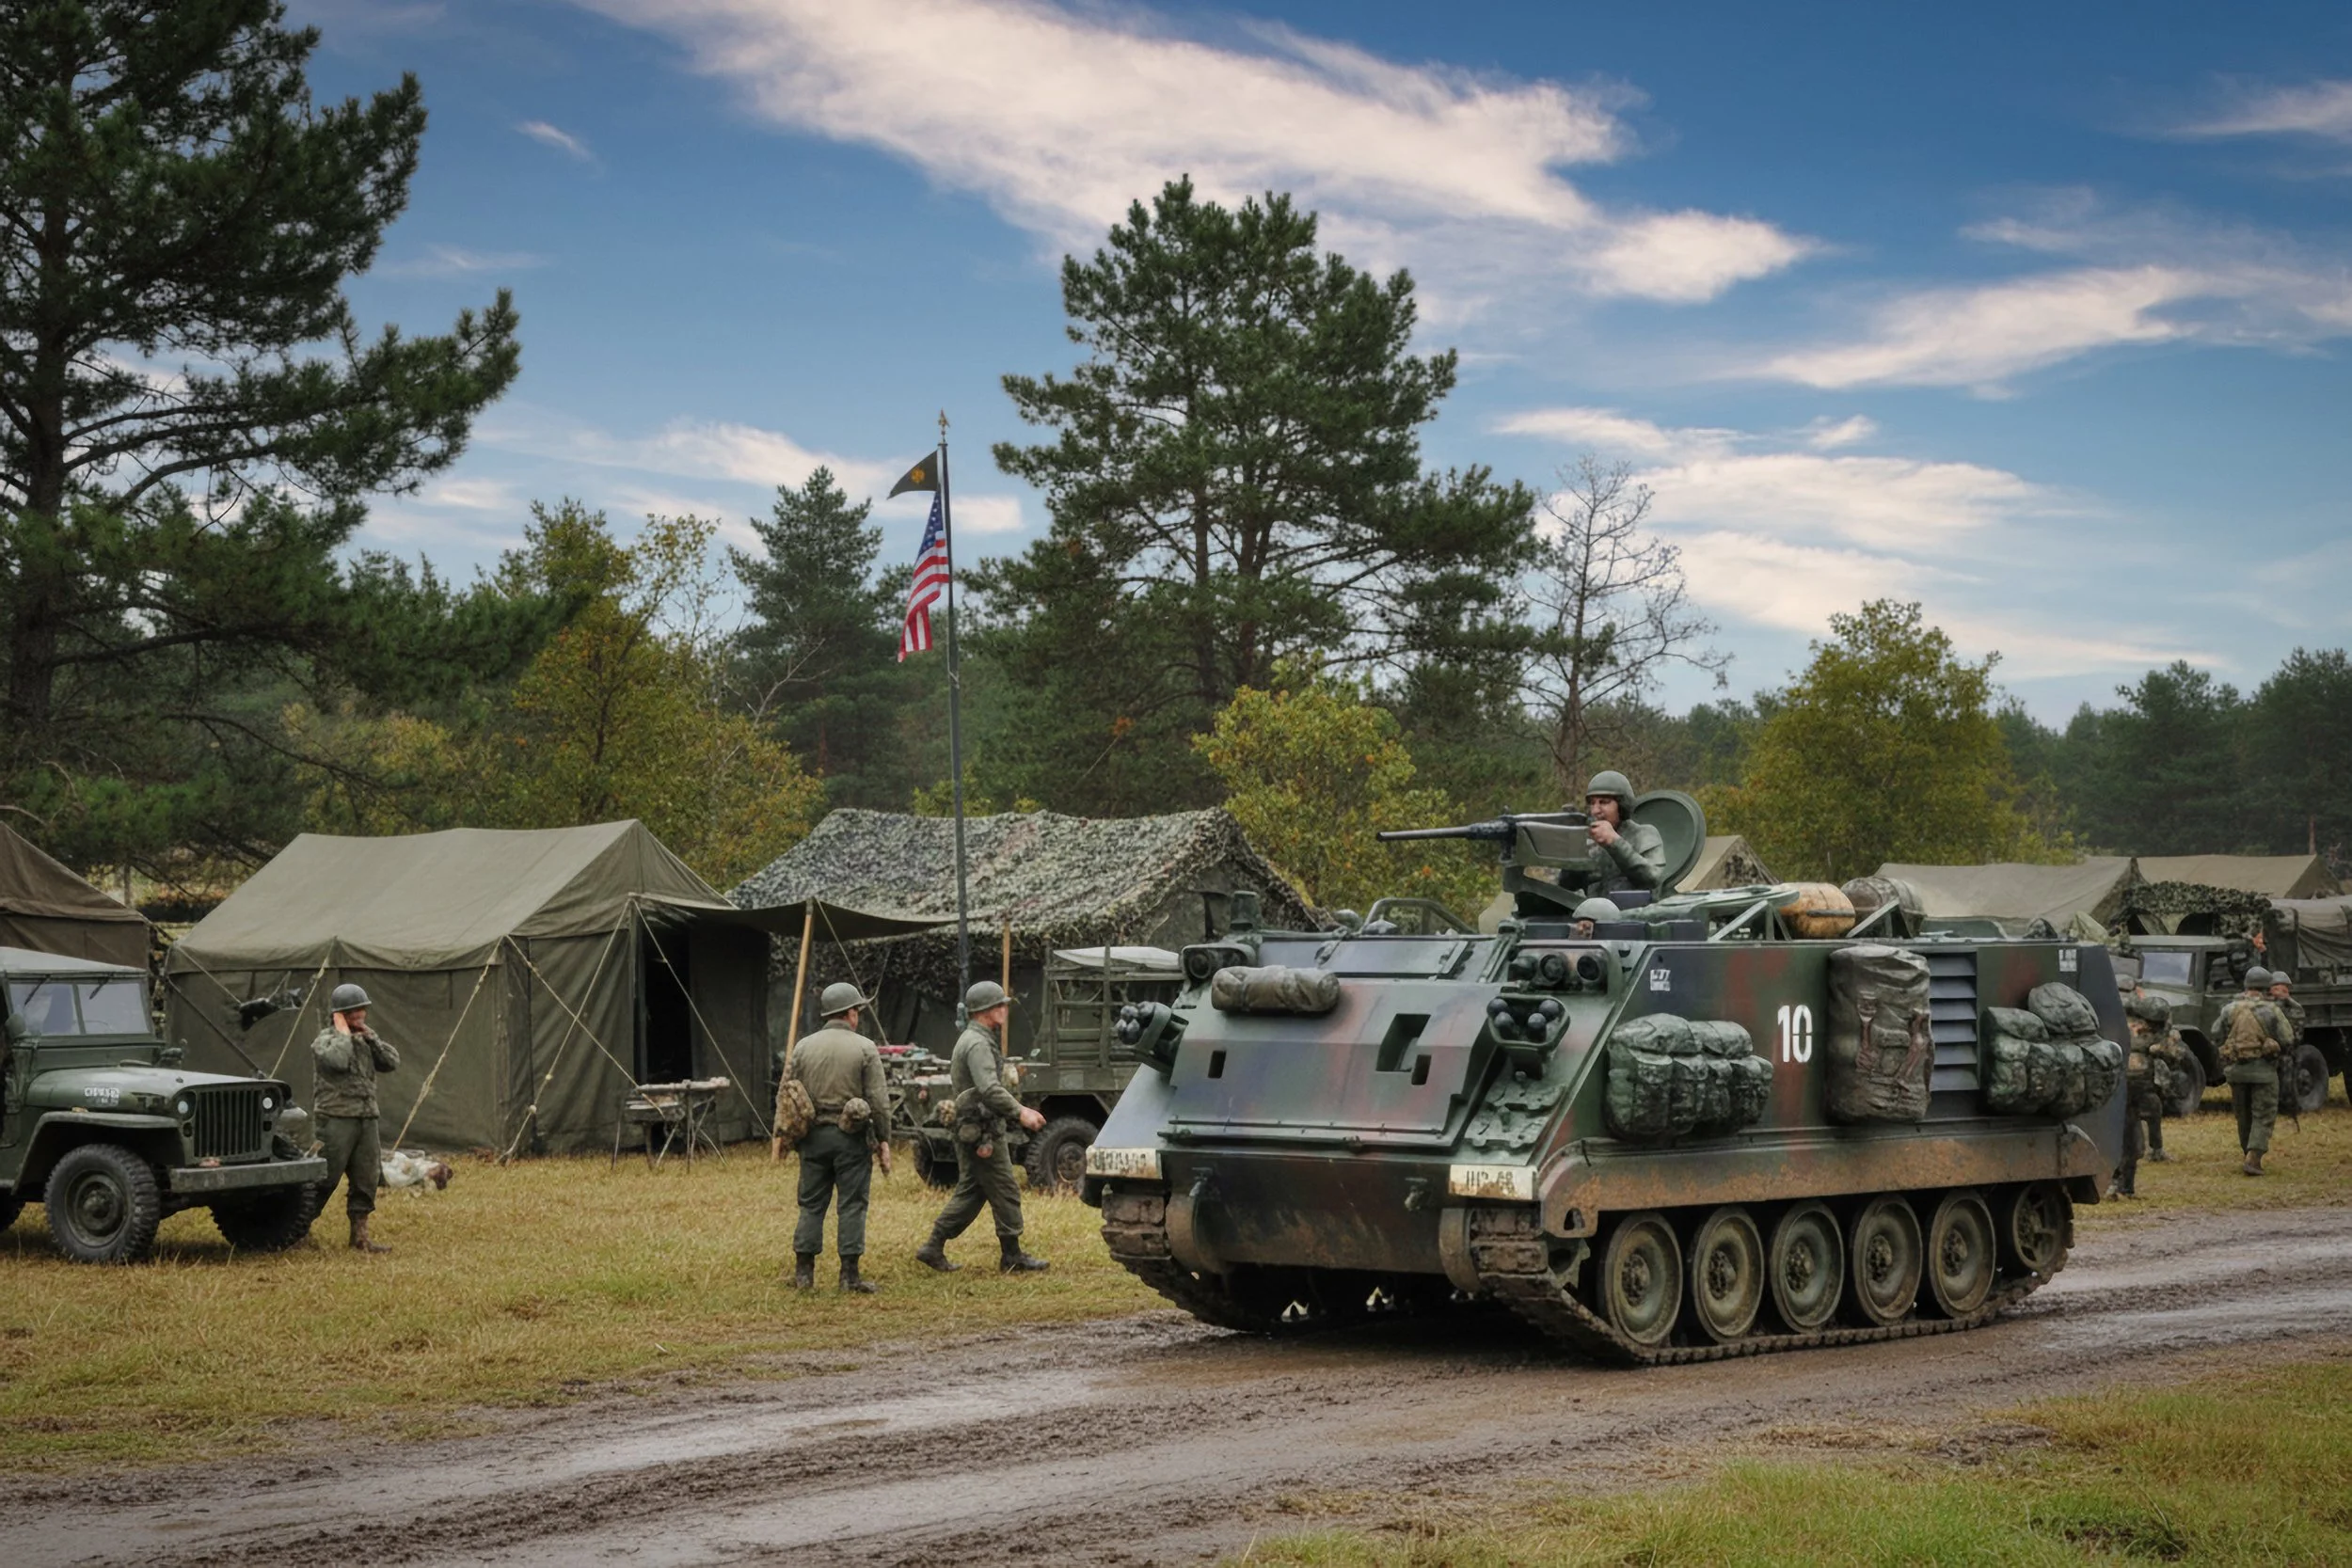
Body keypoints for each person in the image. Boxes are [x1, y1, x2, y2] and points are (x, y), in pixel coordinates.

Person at [915, 980, 1049, 1275]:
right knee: (1005, 1188)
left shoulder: (976, 1039)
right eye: (999, 1005)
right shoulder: (977, 1043)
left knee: (973, 1192)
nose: (1004, 1009)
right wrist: (1021, 1111)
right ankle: (1012, 1255)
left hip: (977, 1126)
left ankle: (933, 1246)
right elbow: (989, 1088)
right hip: (982, 1130)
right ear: (985, 1011)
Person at [783, 982, 893, 1292]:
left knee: (811, 1204)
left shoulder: (803, 1047)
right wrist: (884, 1139)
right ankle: (849, 1277)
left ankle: (804, 1275)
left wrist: (787, 1137)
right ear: (850, 1013)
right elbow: (879, 1101)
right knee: (853, 1204)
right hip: (851, 1139)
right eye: (857, 1009)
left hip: (812, 1137)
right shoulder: (865, 1048)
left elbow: (788, 1094)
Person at [310, 982, 400, 1253]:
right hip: (336, 1118)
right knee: (325, 1177)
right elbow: (337, 1060)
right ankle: (299, 1229)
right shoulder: (325, 1041)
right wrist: (342, 1032)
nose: (360, 1016)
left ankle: (360, 1236)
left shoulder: (364, 1041)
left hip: (366, 1116)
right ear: (339, 1015)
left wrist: (370, 1037)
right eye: (353, 1012)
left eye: (362, 1011)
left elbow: (391, 1062)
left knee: (367, 1177)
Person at [2215, 966, 2293, 1176]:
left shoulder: (2229, 1009)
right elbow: (2287, 1038)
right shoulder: (2272, 1010)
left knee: (2243, 1114)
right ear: (2267, 986)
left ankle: (2246, 1151)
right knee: (2263, 1114)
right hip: (2264, 1071)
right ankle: (2254, 1157)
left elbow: (2216, 1033)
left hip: (2236, 1071)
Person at [1572, 771, 1665, 896]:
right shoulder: (1589, 842)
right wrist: (1570, 852)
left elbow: (1653, 878)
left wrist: (1614, 842)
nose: (1595, 810)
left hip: (1634, 911)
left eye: (1604, 802)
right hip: (1594, 912)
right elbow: (1568, 888)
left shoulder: (1644, 834)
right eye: (1592, 803)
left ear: (1622, 805)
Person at [2122, 983, 2180, 1163]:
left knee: (2153, 1111)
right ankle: (2135, 1152)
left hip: (2142, 1083)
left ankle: (2155, 1150)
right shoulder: (2131, 1029)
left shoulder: (2157, 1032)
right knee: (2132, 1119)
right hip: (2130, 1081)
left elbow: (2173, 1056)